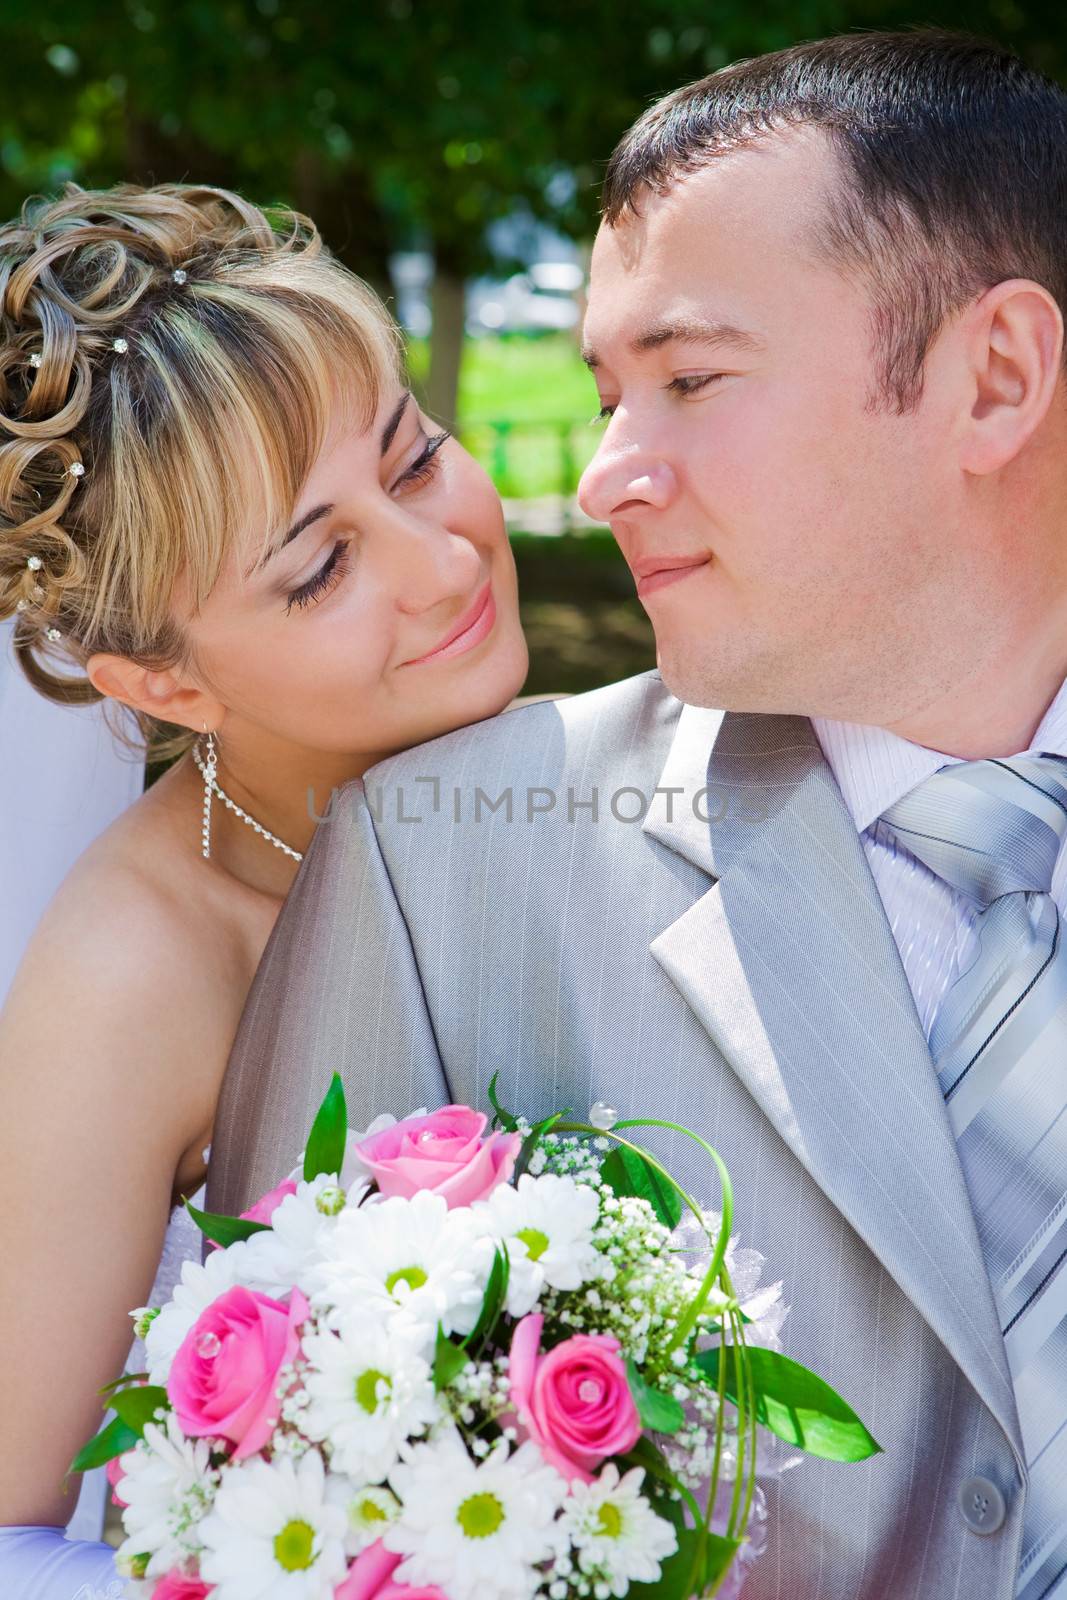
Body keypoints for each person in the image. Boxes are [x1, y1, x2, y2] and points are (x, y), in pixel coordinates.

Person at [208, 29, 1067, 1600]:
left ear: (995, 377)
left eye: (687, 380)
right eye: (608, 393)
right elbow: (279, 1511)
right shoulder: (438, 864)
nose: (604, 478)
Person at [0, 182, 530, 1595]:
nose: (445, 562)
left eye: (414, 460)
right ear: (162, 682)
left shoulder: (573, 763)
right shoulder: (135, 982)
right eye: (322, 567)